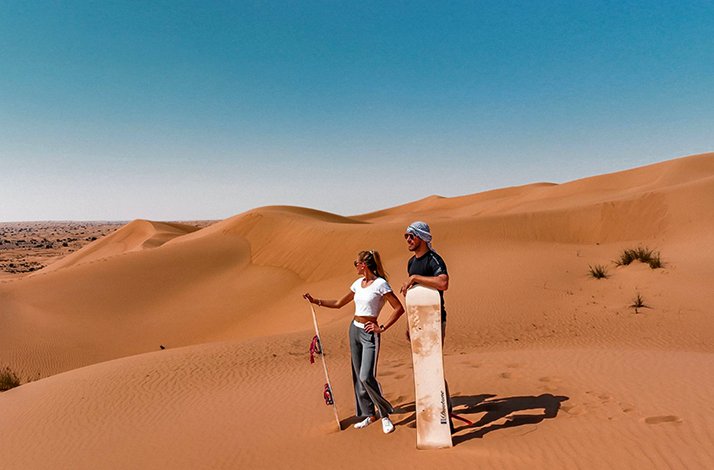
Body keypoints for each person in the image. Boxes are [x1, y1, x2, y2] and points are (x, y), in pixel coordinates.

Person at [303, 250, 405, 434]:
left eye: (356, 263)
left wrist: (381, 327)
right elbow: (339, 303)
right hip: (354, 330)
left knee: (367, 376)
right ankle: (369, 414)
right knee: (358, 376)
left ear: (363, 265)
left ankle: (384, 415)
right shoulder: (358, 284)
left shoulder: (381, 284)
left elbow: (398, 308)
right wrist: (315, 301)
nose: (355, 266)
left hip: (369, 332)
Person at [399, 221, 454, 430]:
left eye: (411, 236)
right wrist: (409, 323)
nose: (408, 240)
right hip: (418, 321)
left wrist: (416, 278)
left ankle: (444, 414)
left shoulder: (434, 260)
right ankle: (429, 412)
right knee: (422, 368)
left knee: (434, 368)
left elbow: (443, 283)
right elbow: (413, 295)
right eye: (406, 236)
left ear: (421, 237)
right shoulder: (411, 262)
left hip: (435, 320)